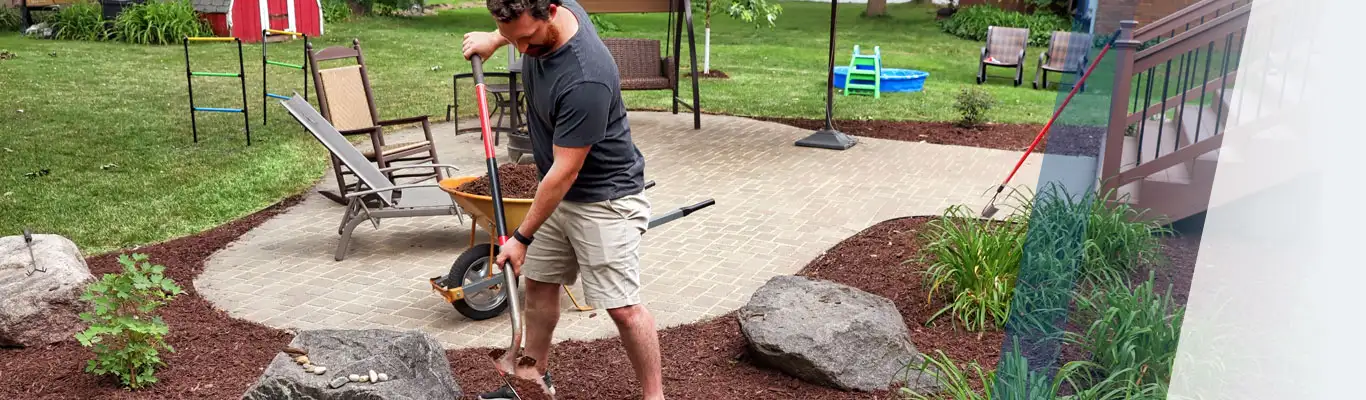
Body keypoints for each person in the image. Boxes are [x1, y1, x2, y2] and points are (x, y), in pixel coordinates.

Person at [461, 1, 662, 399]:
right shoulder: (548, 14)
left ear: (549, 12)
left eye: (527, 39)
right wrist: (494, 40)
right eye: (511, 37)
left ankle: (654, 396)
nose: (520, 49)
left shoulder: (587, 78)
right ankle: (531, 379)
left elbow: (565, 172)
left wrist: (521, 237)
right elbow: (517, 31)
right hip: (555, 190)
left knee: (621, 307)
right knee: (538, 285)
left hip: (605, 198)